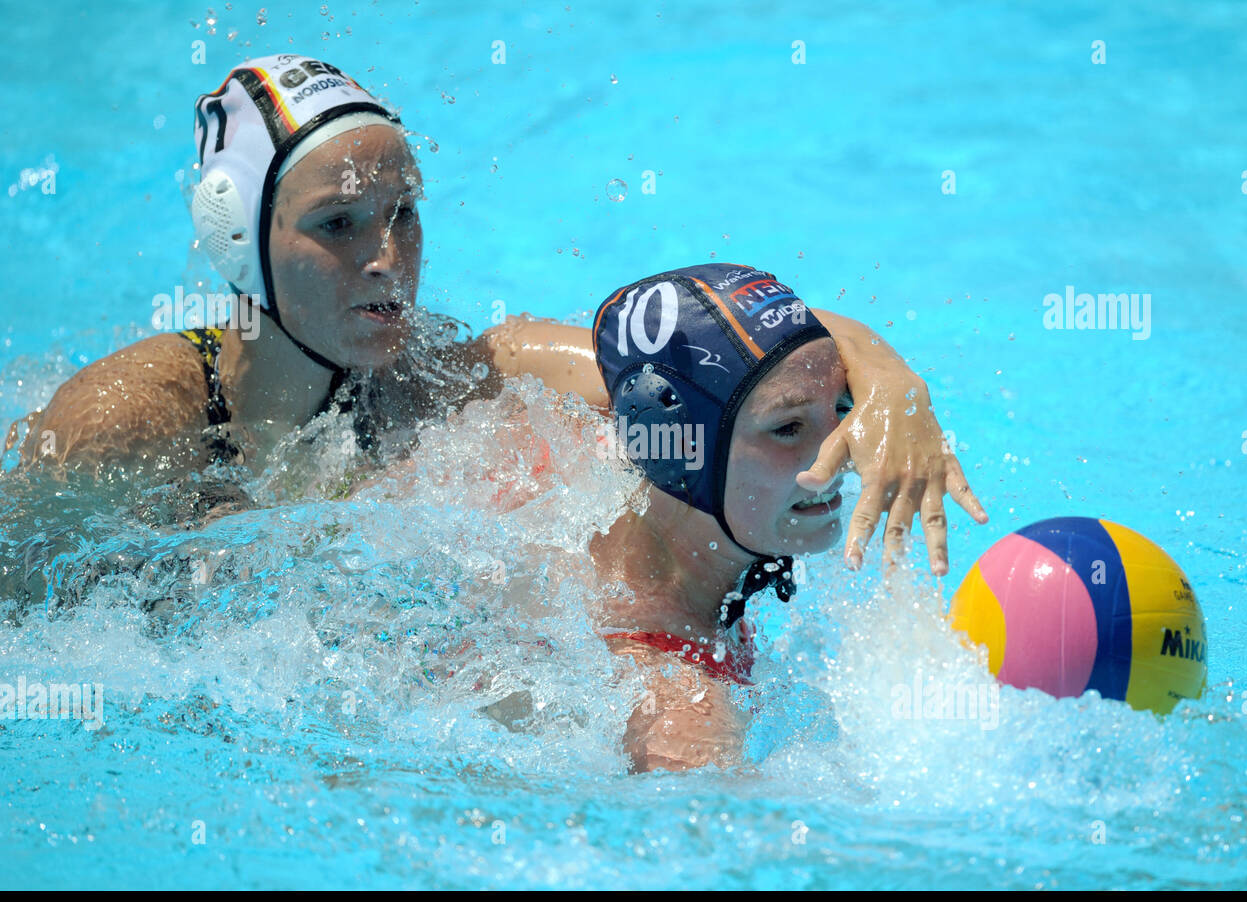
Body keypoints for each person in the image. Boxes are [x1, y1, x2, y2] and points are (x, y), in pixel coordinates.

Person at [8, 54, 982, 577]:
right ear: (238, 240)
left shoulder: (451, 371)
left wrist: (894, 388)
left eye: (403, 214)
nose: (388, 258)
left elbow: (717, 338)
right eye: (338, 224)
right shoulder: (119, 428)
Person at [588, 263, 938, 772]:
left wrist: (890, 380)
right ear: (678, 451)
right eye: (788, 427)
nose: (838, 455)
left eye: (843, 409)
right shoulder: (683, 713)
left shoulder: (587, 452)